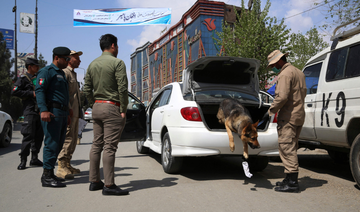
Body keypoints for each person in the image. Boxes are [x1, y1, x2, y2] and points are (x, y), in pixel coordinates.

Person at [84, 34, 129, 196]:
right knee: (109, 147)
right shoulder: (118, 63)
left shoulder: (92, 64)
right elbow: (122, 88)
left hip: (97, 107)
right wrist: (123, 109)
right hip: (112, 108)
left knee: (97, 145)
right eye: (117, 46)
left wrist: (93, 103)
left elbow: (86, 88)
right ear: (112, 46)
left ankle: (94, 181)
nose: (117, 49)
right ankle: (109, 185)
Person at [267, 50, 307, 193]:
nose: (273, 68)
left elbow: (282, 97)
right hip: (299, 115)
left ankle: (292, 183)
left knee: (286, 148)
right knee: (292, 146)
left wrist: (270, 111)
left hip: (288, 117)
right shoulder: (298, 72)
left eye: (273, 65)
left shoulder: (284, 74)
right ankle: (288, 178)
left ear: (278, 61)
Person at [35, 47, 72, 188]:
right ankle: (46, 176)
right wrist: (43, 110)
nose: (68, 61)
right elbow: (39, 90)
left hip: (62, 113)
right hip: (52, 112)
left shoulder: (61, 74)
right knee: (51, 144)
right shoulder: (47, 72)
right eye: (66, 59)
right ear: (57, 57)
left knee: (59, 144)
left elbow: (64, 96)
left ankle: (50, 174)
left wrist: (67, 113)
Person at [11, 58, 44, 170]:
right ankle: (23, 160)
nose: (38, 68)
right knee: (28, 135)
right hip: (29, 111)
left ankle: (34, 158)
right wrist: (31, 93)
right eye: (36, 66)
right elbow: (14, 91)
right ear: (30, 66)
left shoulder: (38, 78)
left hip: (39, 110)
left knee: (39, 136)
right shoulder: (23, 79)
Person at [56, 50, 83, 179]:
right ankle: (61, 166)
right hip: (69, 113)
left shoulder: (73, 74)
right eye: (77, 58)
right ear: (70, 58)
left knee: (72, 140)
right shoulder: (65, 73)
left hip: (75, 113)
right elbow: (64, 95)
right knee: (67, 139)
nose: (79, 61)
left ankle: (67, 164)